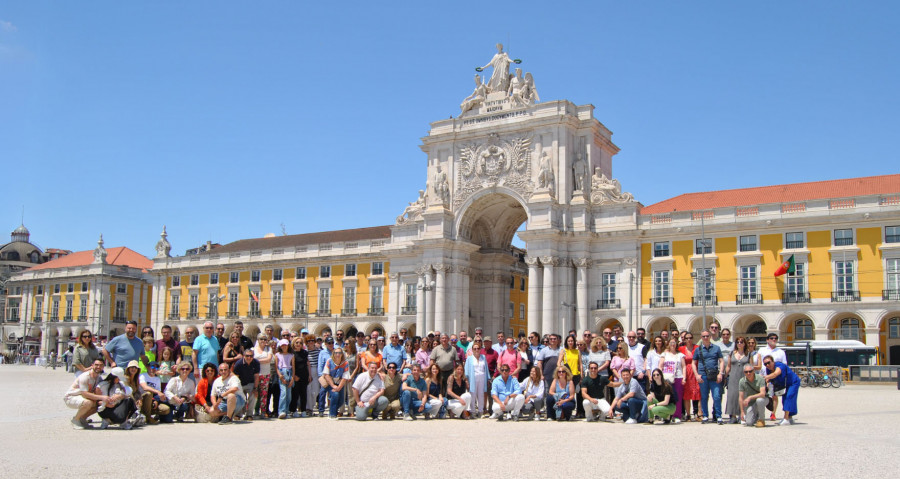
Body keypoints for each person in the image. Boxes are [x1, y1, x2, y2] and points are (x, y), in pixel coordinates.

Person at [64, 358, 106, 429]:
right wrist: (102, 397)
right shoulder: (85, 376)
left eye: (101, 365)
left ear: (103, 367)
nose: (98, 367)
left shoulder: (98, 377)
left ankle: (82, 419)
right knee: (88, 403)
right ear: (92, 365)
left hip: (82, 397)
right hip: (71, 397)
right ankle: (75, 420)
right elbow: (84, 393)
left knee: (97, 405)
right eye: (96, 365)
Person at [695, 329, 725, 424]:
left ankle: (718, 416)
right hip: (703, 375)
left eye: (707, 336)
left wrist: (721, 373)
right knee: (704, 396)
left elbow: (721, 361)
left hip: (714, 374)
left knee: (716, 396)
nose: (705, 338)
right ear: (701, 337)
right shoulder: (698, 349)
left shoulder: (716, 348)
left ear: (710, 337)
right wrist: (696, 375)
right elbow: (693, 362)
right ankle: (705, 416)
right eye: (703, 336)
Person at [763, 355, 801, 426]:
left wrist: (765, 377)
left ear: (773, 361)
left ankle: (786, 418)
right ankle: (790, 417)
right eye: (765, 364)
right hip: (785, 385)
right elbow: (770, 379)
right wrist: (767, 383)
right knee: (785, 399)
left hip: (793, 382)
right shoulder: (768, 369)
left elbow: (775, 374)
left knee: (789, 397)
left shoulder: (780, 365)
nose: (767, 365)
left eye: (768, 362)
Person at [759, 333, 788, 420]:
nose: (774, 340)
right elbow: (757, 363)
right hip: (763, 376)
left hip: (776, 377)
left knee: (774, 395)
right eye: (772, 338)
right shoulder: (762, 350)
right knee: (761, 394)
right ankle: (760, 413)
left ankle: (773, 413)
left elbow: (784, 365)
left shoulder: (781, 352)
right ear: (767, 340)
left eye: (776, 338)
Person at [725, 336, 752, 424]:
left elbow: (751, 367)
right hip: (733, 377)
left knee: (743, 396)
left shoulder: (748, 354)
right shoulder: (732, 353)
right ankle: (733, 416)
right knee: (732, 396)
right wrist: (725, 376)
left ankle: (742, 415)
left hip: (744, 377)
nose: (739, 343)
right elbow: (728, 366)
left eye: (741, 342)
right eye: (738, 342)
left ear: (744, 344)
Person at [660, 338, 686, 420]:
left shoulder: (680, 355)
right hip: (666, 378)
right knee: (666, 397)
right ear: (668, 343)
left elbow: (684, 366)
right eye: (671, 342)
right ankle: (666, 415)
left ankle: (677, 415)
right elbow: (660, 366)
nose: (672, 344)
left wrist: (684, 377)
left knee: (677, 397)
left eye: (674, 343)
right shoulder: (664, 354)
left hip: (678, 377)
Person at [323, 347, 351, 419]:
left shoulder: (345, 363)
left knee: (341, 401)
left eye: (339, 353)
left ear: (342, 354)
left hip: (340, 383)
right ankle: (332, 415)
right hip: (330, 383)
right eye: (336, 353)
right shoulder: (329, 361)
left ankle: (333, 411)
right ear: (333, 354)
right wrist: (333, 386)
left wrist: (338, 387)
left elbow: (345, 377)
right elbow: (326, 374)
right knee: (335, 395)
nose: (338, 354)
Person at [232, 349, 260, 420]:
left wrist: (255, 388)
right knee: (240, 397)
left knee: (254, 395)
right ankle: (238, 414)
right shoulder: (238, 364)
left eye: (251, 356)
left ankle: (249, 414)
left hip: (250, 383)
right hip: (240, 384)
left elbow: (256, 376)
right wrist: (237, 389)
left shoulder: (256, 363)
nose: (249, 358)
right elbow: (236, 378)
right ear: (244, 356)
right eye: (247, 356)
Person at [679, 332, 701, 421]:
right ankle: (688, 414)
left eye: (690, 338)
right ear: (684, 339)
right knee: (687, 394)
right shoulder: (681, 349)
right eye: (687, 338)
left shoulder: (697, 348)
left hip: (696, 371)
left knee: (698, 393)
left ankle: (699, 413)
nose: (689, 340)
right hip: (686, 373)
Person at [464, 343, 489, 418]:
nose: (476, 350)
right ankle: (473, 412)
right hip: (473, 378)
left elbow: (486, 369)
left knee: (481, 394)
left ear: (480, 349)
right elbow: (466, 370)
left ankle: (481, 411)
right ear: (472, 350)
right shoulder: (469, 358)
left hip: (482, 377)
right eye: (474, 348)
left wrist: (488, 378)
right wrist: (467, 380)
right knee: (473, 394)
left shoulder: (483, 357)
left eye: (478, 348)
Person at [739, 363, 767, 428]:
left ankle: (761, 420)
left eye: (750, 371)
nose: (748, 373)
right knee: (748, 423)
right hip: (752, 402)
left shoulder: (760, 378)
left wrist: (750, 397)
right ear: (744, 372)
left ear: (753, 371)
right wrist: (742, 412)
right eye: (746, 372)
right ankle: (755, 416)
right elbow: (741, 397)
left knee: (759, 400)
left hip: (763, 399)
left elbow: (763, 394)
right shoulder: (742, 381)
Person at [253, 333, 273, 418]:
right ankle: (255, 410)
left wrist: (257, 360)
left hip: (265, 374)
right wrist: (263, 360)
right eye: (261, 339)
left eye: (265, 339)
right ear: (258, 340)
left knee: (264, 394)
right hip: (256, 374)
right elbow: (252, 360)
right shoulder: (253, 349)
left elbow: (269, 359)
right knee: (255, 393)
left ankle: (263, 411)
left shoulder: (269, 349)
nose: (263, 341)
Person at [274, 339, 294, 419]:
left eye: (285, 345)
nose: (284, 347)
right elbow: (276, 367)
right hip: (282, 372)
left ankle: (287, 410)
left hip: (289, 372)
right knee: (283, 393)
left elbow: (293, 367)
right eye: (282, 345)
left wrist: (292, 378)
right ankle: (281, 411)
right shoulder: (277, 355)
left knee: (289, 395)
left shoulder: (291, 355)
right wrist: (280, 376)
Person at [289, 337, 309, 418]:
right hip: (296, 376)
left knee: (303, 394)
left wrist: (310, 375)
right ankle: (293, 410)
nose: (298, 344)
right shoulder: (291, 353)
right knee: (295, 394)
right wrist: (294, 376)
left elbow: (307, 364)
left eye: (300, 343)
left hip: (304, 375)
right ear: (293, 343)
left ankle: (303, 410)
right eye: (297, 342)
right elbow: (290, 366)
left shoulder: (305, 352)